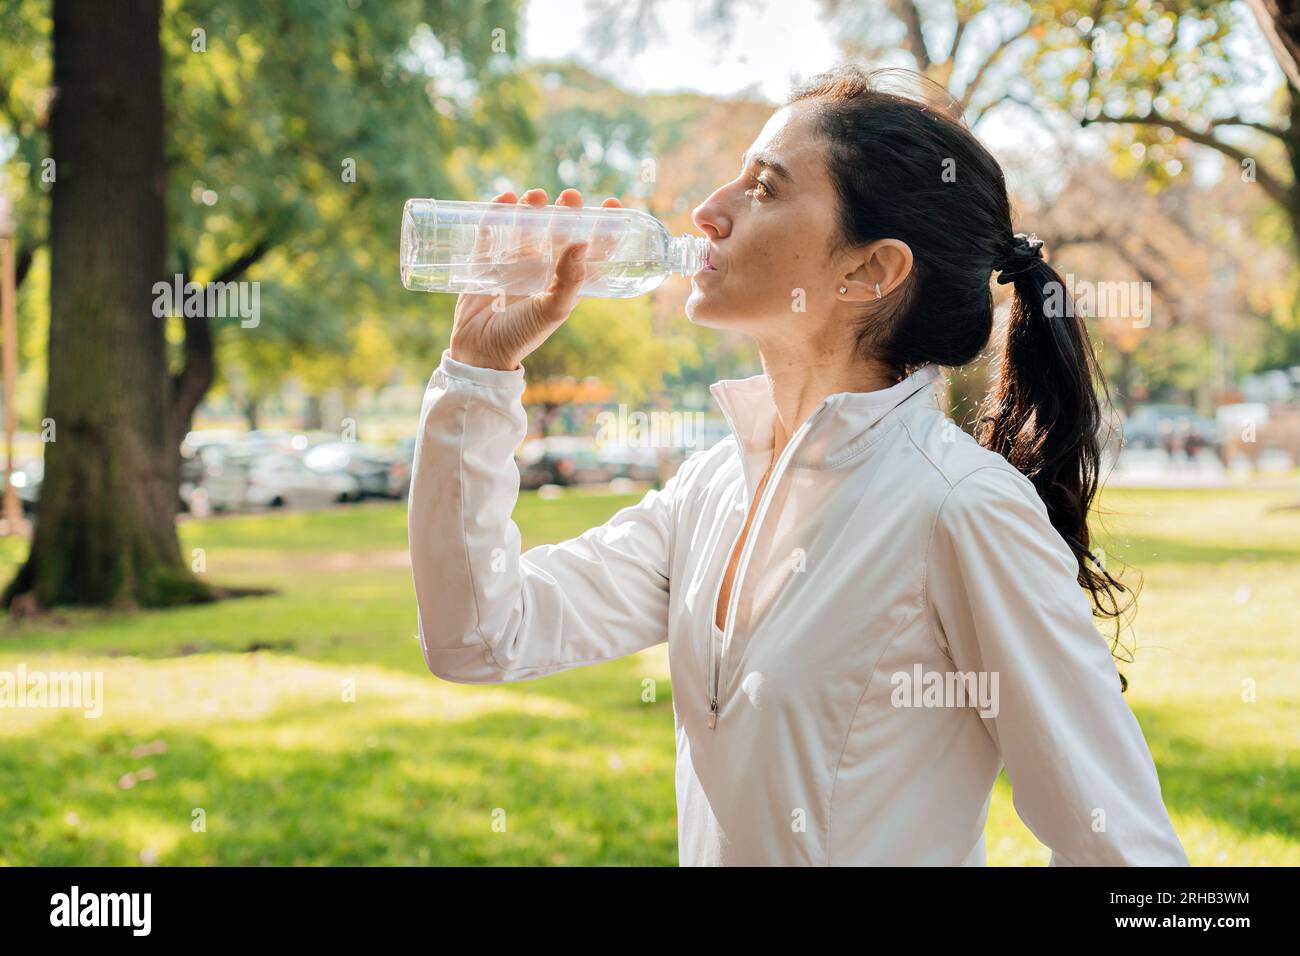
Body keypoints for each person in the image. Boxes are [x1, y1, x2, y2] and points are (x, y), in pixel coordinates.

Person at [407, 63, 1189, 866]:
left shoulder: (960, 508)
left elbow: (1124, 851)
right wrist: (478, 374)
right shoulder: (712, 488)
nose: (708, 211)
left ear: (869, 269)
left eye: (766, 188)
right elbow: (479, 636)